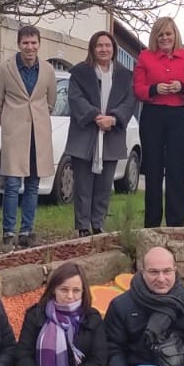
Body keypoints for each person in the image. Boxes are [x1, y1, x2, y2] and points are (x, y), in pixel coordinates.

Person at [0, 25, 56, 252]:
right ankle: (8, 233)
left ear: (39, 44)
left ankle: (27, 231)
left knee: (33, 184)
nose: (30, 47)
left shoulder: (47, 70)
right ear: (19, 44)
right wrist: (10, 122)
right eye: (25, 43)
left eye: (33, 43)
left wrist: (36, 119)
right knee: (11, 185)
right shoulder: (4, 69)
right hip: (15, 134)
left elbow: (50, 102)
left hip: (38, 134)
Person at [65, 31, 136, 237]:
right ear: (92, 49)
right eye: (99, 46)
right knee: (84, 186)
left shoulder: (125, 75)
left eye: (108, 45)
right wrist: (96, 116)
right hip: (85, 135)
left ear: (113, 49)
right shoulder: (80, 73)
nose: (104, 49)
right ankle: (83, 227)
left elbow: (129, 102)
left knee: (105, 185)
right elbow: (75, 99)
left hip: (111, 136)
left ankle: (98, 224)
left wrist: (113, 119)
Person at [132, 16, 184, 228]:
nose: (165, 38)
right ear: (155, 37)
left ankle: (176, 222)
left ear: (175, 34)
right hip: (153, 115)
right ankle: (152, 222)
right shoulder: (145, 57)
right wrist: (154, 89)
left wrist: (182, 86)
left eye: (168, 34)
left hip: (177, 116)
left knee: (177, 170)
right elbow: (138, 88)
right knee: (153, 169)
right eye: (161, 35)